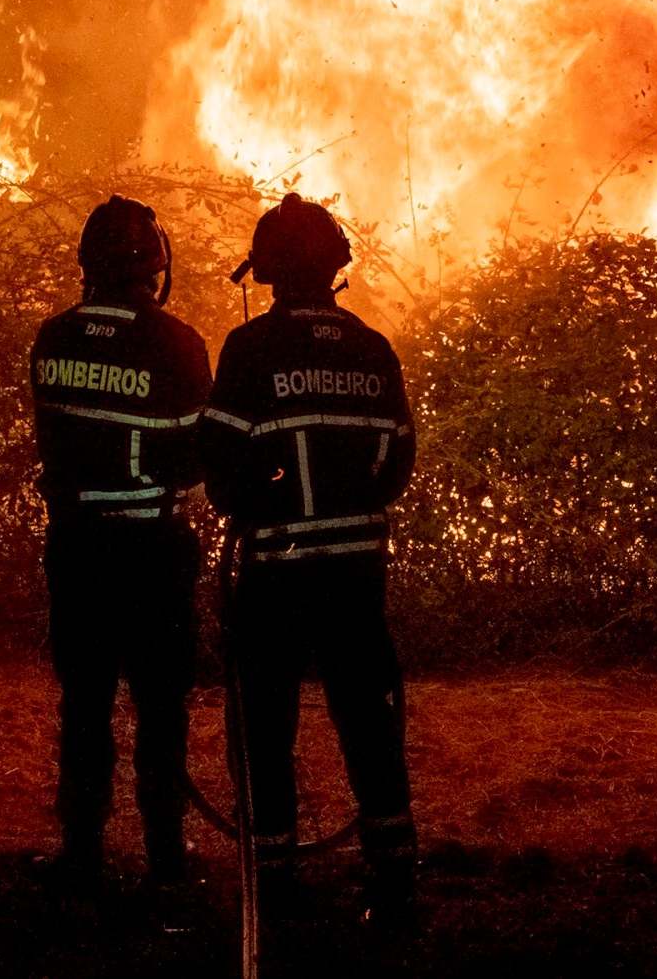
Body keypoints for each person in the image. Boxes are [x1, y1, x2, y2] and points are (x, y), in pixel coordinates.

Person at [201, 193, 419, 919]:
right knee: (369, 721)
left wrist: (267, 501)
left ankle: (276, 881)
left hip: (277, 576)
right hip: (356, 576)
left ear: (264, 271)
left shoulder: (250, 350)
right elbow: (398, 460)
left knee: (267, 727)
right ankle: (393, 879)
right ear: (335, 266)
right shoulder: (372, 347)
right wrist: (352, 503)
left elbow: (220, 465)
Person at [29, 195, 213, 889]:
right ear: (155, 265)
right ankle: (166, 862)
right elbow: (195, 458)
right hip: (151, 553)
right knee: (161, 709)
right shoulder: (176, 343)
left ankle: (81, 854)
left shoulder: (54, 338)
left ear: (89, 263)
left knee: (84, 704)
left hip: (76, 548)